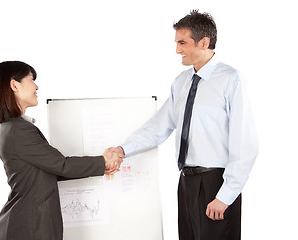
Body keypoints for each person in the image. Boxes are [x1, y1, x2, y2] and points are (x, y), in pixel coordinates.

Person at [108, 10, 258, 240]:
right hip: (186, 182)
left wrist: (226, 195)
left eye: (182, 43)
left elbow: (244, 143)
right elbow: (159, 127)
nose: (177, 50)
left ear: (204, 42)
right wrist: (122, 150)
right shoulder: (182, 82)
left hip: (216, 183)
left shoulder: (231, 79)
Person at [0, 61, 122, 240]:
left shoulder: (11, 128)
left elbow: (52, 169)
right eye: (31, 79)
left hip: (28, 224)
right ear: (14, 85)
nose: (36, 86)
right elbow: (61, 165)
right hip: (28, 227)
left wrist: (101, 166)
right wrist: (102, 161)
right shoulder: (18, 130)